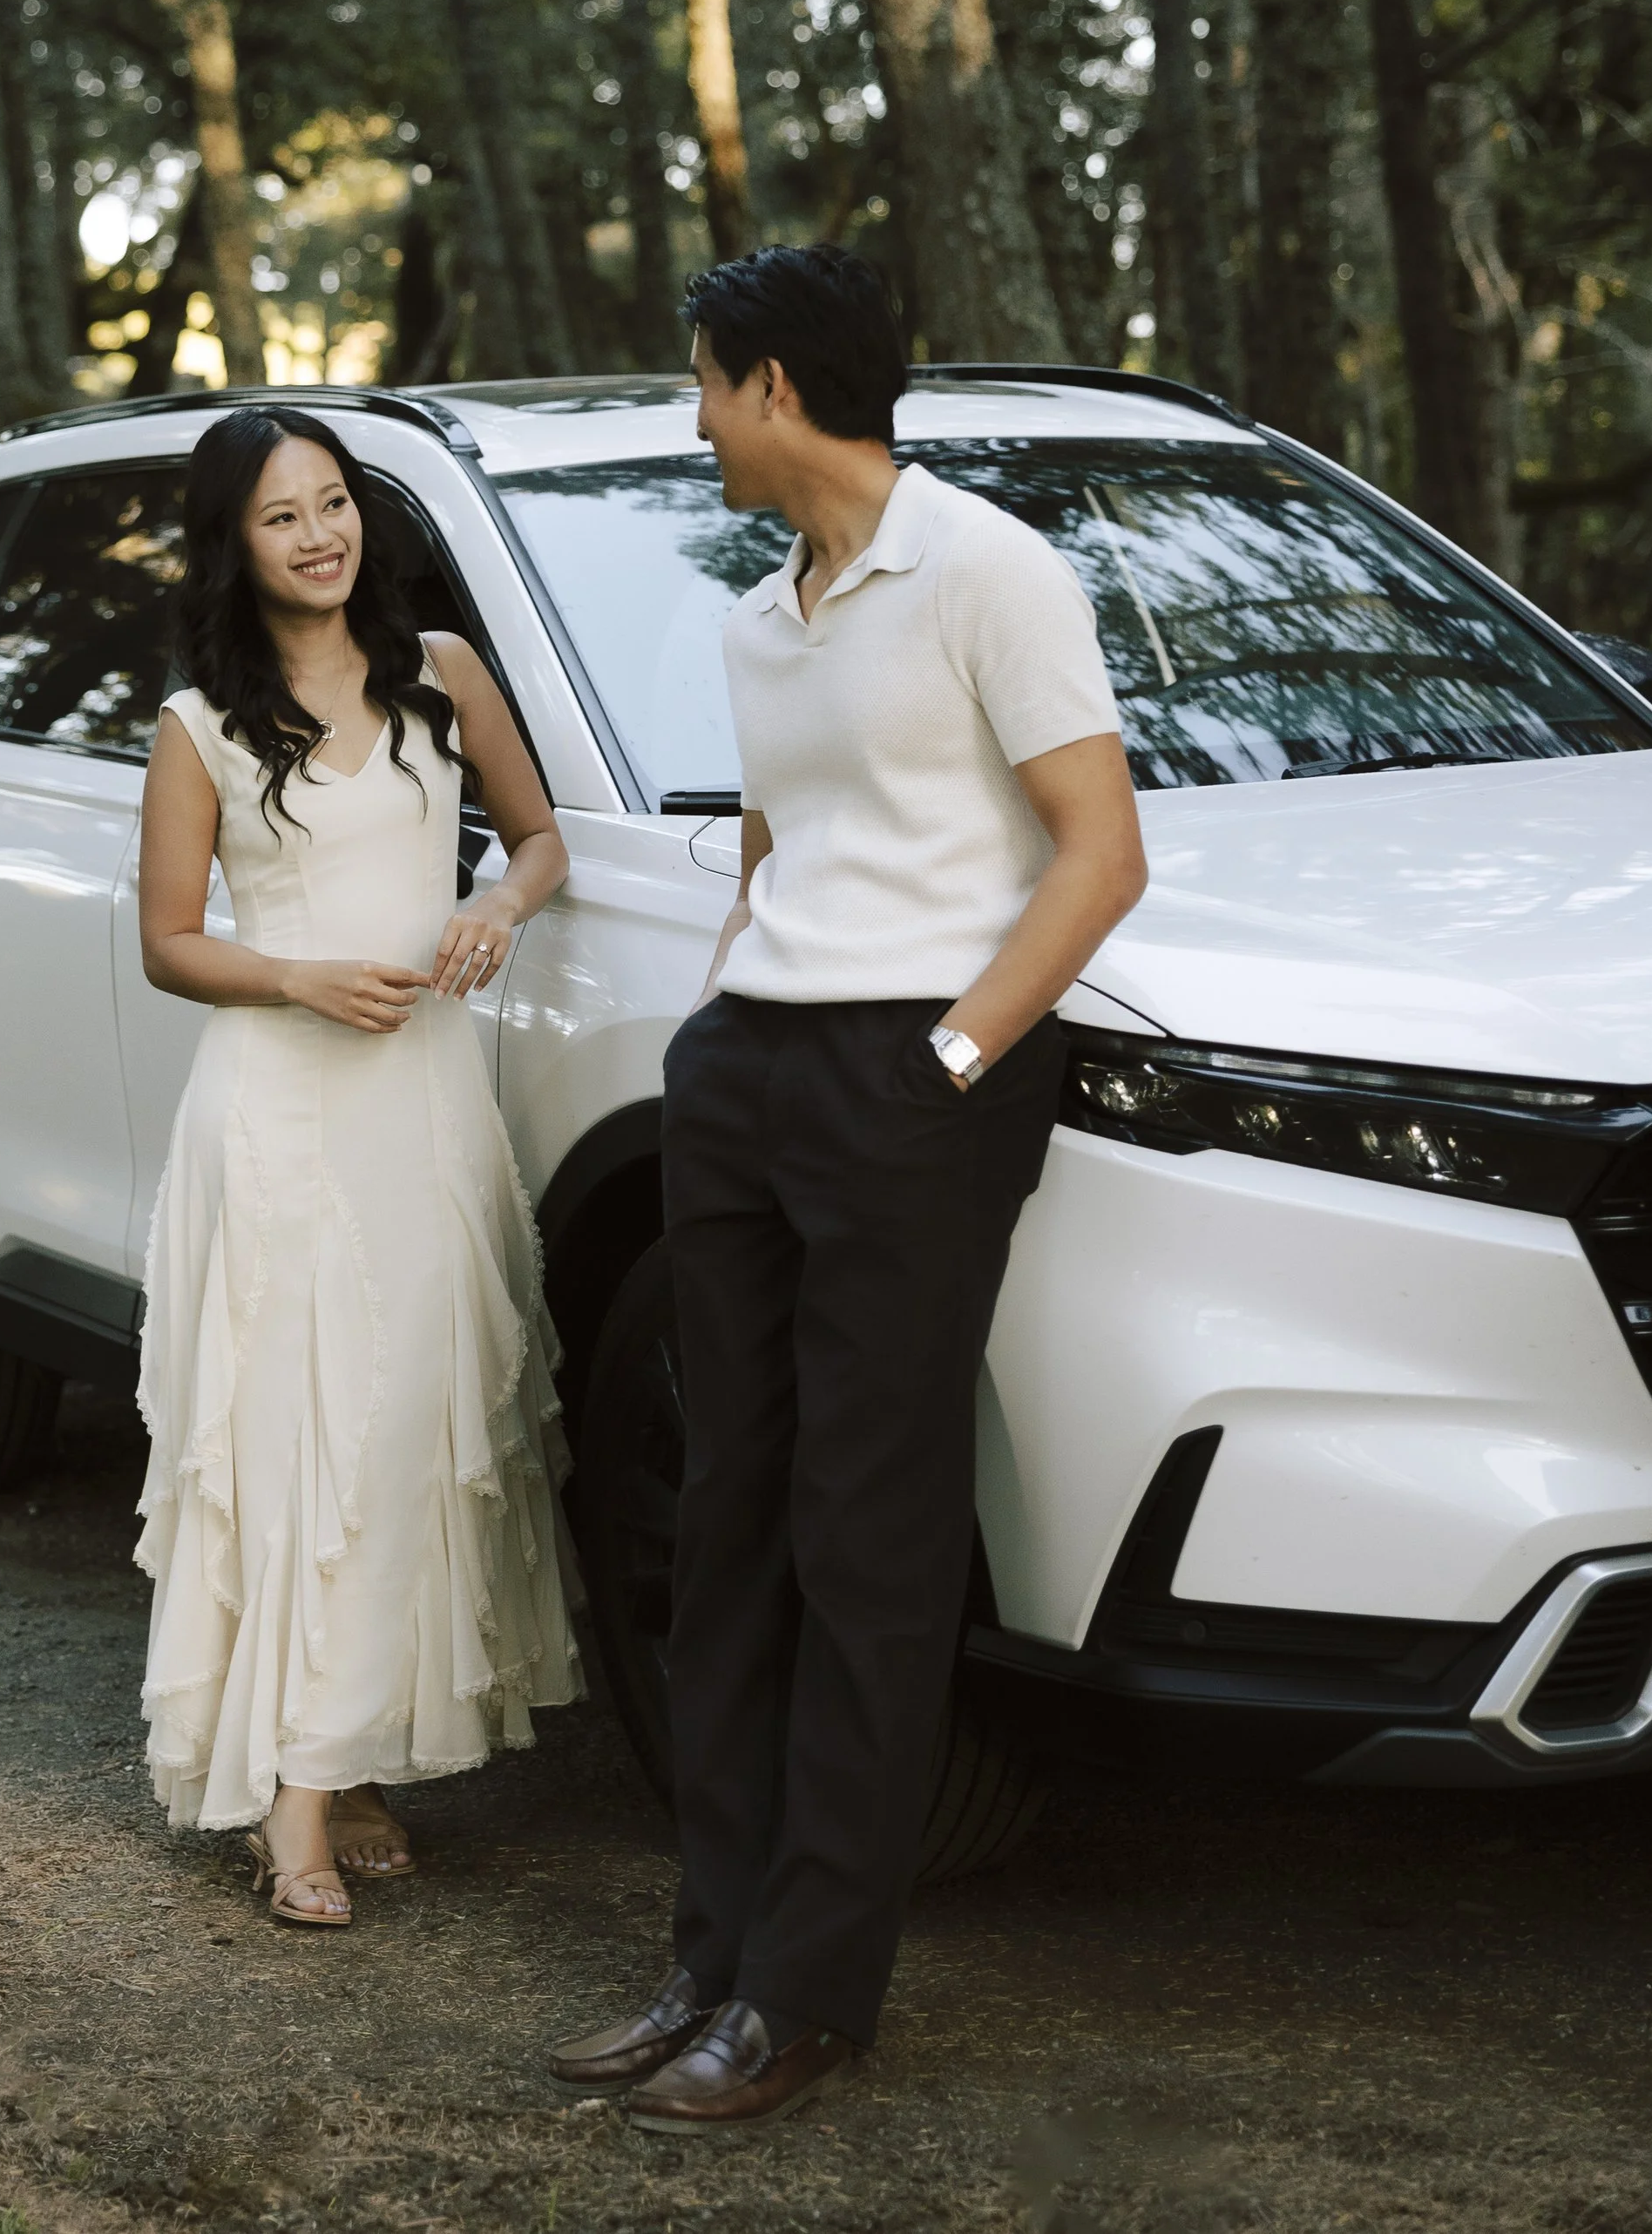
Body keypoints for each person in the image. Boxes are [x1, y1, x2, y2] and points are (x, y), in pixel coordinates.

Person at [550, 245, 1147, 2125]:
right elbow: (776, 837)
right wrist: (721, 1012)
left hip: (912, 1083)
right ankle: (709, 1952)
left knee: (866, 1545)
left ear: (779, 390)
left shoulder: (987, 570)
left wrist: (952, 1058)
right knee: (727, 1524)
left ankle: (805, 1988)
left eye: (703, 382)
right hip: (749, 1075)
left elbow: (1097, 851)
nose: (694, 416)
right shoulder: (757, 617)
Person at [133, 408, 583, 1927]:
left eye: (335, 504)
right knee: (296, 1444)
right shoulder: (198, 721)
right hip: (277, 1112)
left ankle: (358, 1752)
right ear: (233, 546)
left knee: (405, 1432)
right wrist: (301, 977)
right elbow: (170, 942)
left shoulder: (444, 675)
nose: (321, 534)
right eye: (283, 516)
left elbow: (539, 842)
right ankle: (295, 1805)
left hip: (427, 1105)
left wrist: (496, 910)